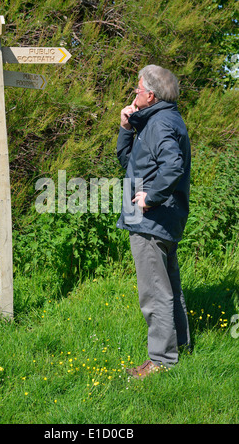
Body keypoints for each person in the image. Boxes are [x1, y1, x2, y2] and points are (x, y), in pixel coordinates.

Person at [116, 64, 191, 379]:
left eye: (137, 87)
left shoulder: (160, 123)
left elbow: (172, 166)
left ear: (151, 94)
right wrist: (125, 128)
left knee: (154, 292)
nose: (134, 92)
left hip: (152, 217)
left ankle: (160, 360)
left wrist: (151, 197)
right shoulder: (156, 121)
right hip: (156, 217)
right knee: (168, 285)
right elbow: (129, 164)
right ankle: (181, 347)